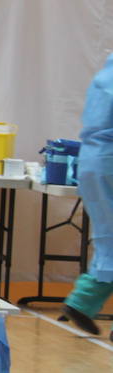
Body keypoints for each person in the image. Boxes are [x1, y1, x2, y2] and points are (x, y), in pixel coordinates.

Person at [61, 53, 113, 335]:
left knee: (109, 239)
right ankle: (81, 301)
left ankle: (82, 302)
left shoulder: (104, 75)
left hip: (91, 161)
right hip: (109, 160)